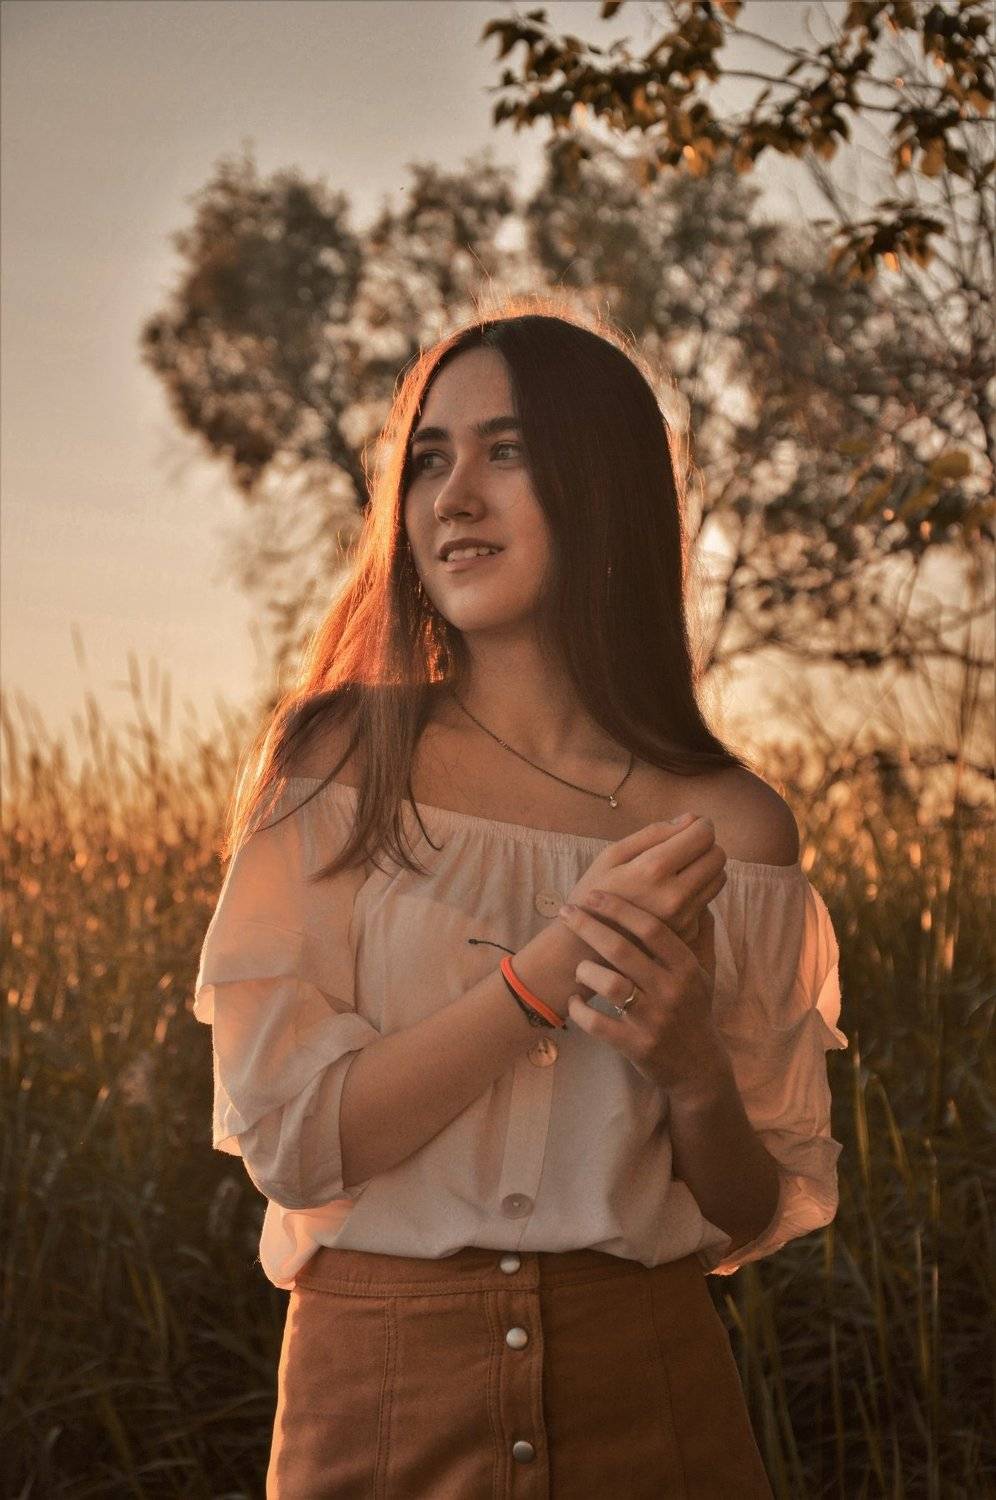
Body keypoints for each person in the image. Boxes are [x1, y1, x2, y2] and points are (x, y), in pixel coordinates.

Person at [193, 304, 848, 1498]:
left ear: (603, 485)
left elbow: (749, 1213)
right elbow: (293, 1143)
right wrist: (545, 973)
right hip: (377, 1406)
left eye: (507, 451)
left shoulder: (733, 827)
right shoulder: (338, 762)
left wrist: (692, 1068)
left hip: (651, 1403)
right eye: (429, 460)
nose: (453, 498)